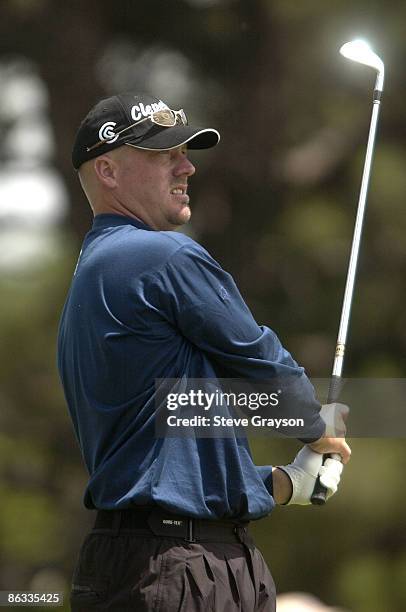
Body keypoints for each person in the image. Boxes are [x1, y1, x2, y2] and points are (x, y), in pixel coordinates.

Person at [58, 92, 351, 612]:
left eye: (185, 154)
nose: (187, 167)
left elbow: (172, 445)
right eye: (163, 155)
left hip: (143, 560)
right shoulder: (159, 254)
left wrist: (285, 483)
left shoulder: (95, 271)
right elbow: (262, 361)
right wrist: (320, 425)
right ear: (107, 170)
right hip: (181, 569)